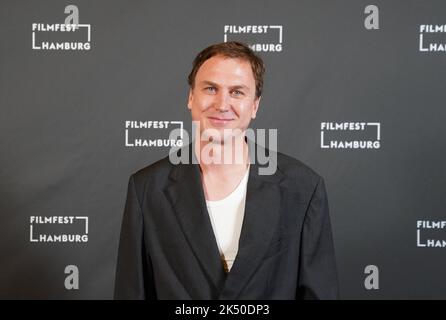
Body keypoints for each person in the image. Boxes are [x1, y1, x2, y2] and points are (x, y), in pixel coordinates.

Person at [114, 41, 339, 299]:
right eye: (211, 88)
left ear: (254, 105)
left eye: (237, 92)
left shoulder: (303, 188)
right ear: (191, 97)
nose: (222, 104)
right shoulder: (146, 189)